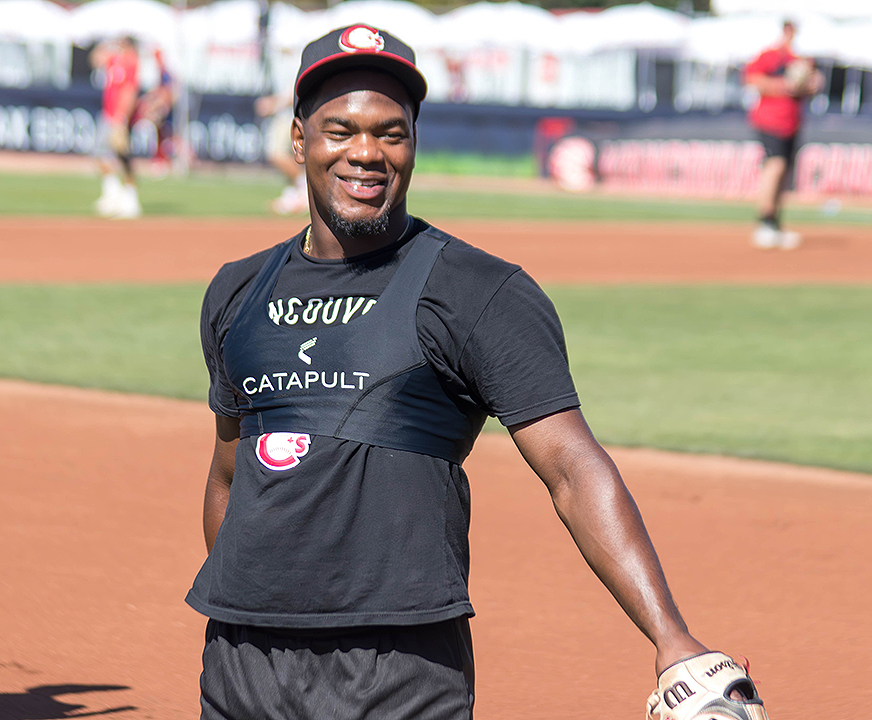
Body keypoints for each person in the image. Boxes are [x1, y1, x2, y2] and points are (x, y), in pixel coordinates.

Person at [188, 24, 753, 719]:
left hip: (398, 664)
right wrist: (245, 600)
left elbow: (573, 469)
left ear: (414, 145)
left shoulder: (477, 291)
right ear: (300, 141)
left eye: (391, 133)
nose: (366, 153)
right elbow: (228, 473)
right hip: (244, 661)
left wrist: (673, 639)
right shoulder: (239, 292)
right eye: (341, 130)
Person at [743, 20, 823, 249]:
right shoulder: (770, 56)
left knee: (784, 173)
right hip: (770, 121)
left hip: (792, 123)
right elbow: (752, 80)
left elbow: (810, 86)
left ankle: (775, 222)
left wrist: (810, 85)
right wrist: (783, 85)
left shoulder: (802, 59)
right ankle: (764, 221)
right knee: (774, 165)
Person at [89, 35, 142, 219]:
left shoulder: (131, 63)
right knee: (100, 154)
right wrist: (106, 42)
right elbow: (96, 59)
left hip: (119, 117)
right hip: (108, 114)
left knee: (123, 156)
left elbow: (130, 91)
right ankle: (112, 194)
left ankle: (130, 198)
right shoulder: (115, 60)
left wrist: (121, 117)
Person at [255, 46, 308, 215]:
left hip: (289, 115)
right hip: (284, 115)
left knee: (276, 153)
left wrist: (273, 105)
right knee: (289, 156)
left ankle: (305, 189)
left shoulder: (294, 61)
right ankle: (298, 192)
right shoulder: (278, 60)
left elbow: (295, 91)